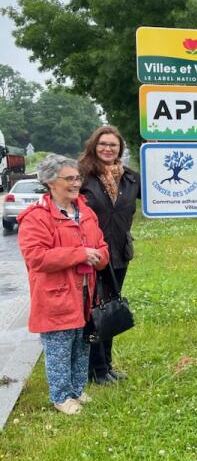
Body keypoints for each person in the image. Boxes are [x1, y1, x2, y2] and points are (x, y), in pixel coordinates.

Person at [17, 154, 109, 415]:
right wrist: (80, 254)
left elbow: (101, 245)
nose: (75, 183)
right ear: (50, 182)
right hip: (55, 294)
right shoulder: (36, 217)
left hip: (85, 292)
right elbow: (36, 257)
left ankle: (78, 390)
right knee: (59, 348)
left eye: (77, 177)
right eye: (69, 178)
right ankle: (60, 397)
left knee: (81, 343)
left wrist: (100, 256)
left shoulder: (86, 212)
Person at [78, 125, 140, 385]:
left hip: (119, 253)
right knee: (93, 311)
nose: (107, 148)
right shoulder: (82, 176)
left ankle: (107, 365)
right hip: (92, 254)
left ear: (120, 149)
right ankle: (97, 369)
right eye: (103, 143)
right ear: (94, 145)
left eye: (113, 145)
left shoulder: (130, 179)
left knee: (111, 309)